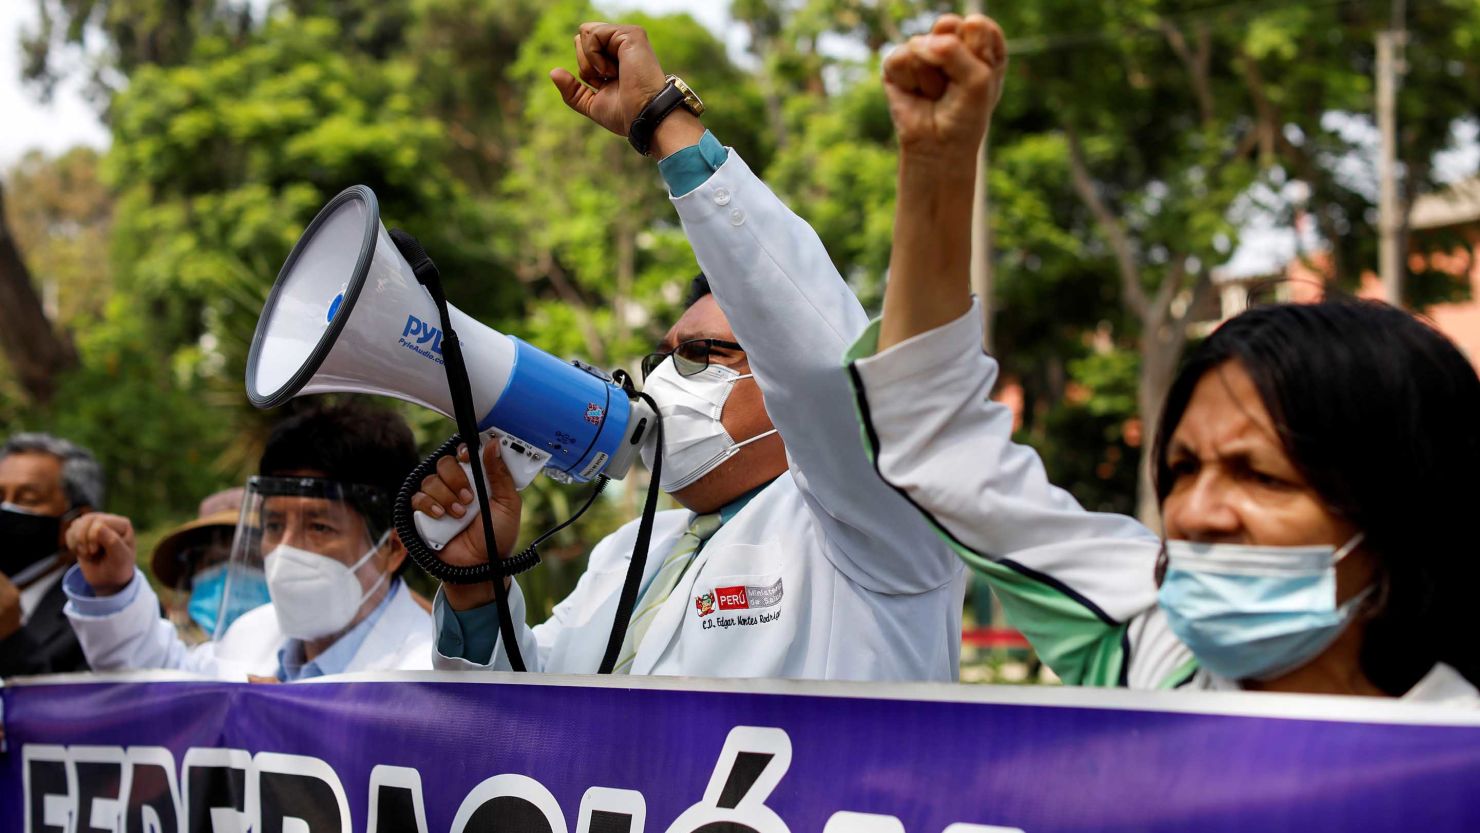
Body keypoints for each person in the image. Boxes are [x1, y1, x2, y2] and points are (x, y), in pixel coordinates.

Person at [844, 13, 1479, 702]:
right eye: (1181, 468)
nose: (1197, 513)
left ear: (1406, 515)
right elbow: (933, 433)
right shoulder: (1148, 653)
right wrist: (936, 163)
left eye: (1260, 476)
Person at [413, 23, 966, 680]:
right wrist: (477, 586)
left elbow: (818, 350)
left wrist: (662, 123)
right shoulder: (627, 555)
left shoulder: (881, 521)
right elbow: (521, 729)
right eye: (666, 355)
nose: (668, 378)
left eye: (703, 352)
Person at [63, 400, 434, 680]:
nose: (287, 548)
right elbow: (162, 682)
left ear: (391, 548)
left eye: (319, 527)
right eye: (273, 526)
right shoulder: (252, 634)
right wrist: (113, 587)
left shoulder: (428, 668)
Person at [0, 433, 99, 676]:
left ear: (76, 520)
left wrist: (10, 637)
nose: (6, 510)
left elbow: (85, 708)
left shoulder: (104, 612)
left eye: (28, 498)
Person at [149, 487, 268, 644]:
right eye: (213, 562)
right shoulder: (175, 654)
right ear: (192, 572)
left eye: (249, 560)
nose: (228, 573)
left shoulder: (298, 660)